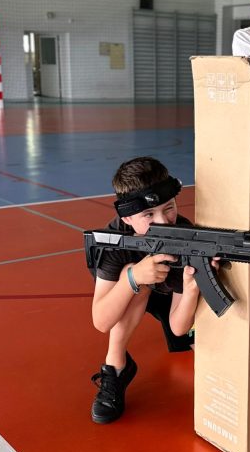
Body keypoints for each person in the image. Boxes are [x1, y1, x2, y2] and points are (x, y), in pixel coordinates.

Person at [89, 156, 214, 424]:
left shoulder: (185, 237)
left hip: (171, 297)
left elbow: (179, 327)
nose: (164, 222)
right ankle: (116, 366)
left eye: (168, 208)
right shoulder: (114, 242)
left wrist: (192, 287)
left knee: (210, 358)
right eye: (148, 214)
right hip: (129, 295)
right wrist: (132, 278)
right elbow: (101, 321)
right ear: (127, 217)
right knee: (131, 274)